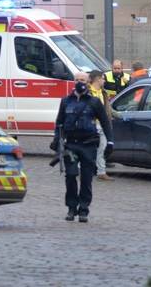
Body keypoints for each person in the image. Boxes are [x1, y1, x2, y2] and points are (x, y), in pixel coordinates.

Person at [51, 71, 113, 223]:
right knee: (71, 175)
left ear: (88, 82)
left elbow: (105, 122)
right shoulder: (66, 101)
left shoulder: (94, 102)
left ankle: (84, 209)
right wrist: (57, 140)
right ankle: (71, 208)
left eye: (83, 80)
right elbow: (59, 122)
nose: (80, 82)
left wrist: (110, 142)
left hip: (89, 145)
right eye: (77, 80)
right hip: (71, 144)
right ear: (73, 81)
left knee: (86, 179)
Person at [89, 70, 114, 181]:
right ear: (98, 79)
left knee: (102, 148)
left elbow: (107, 109)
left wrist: (117, 114)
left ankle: (101, 172)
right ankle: (82, 169)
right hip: (91, 125)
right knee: (88, 149)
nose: (104, 81)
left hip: (102, 124)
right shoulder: (88, 92)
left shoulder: (103, 92)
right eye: (103, 78)